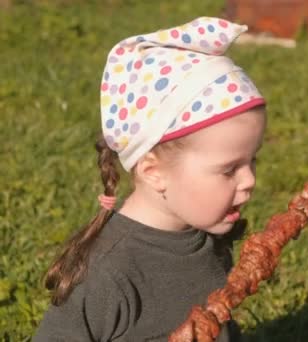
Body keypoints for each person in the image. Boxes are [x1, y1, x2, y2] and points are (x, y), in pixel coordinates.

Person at [33, 16, 266, 341]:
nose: (250, 180)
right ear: (154, 172)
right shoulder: (108, 273)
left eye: (252, 161)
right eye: (229, 169)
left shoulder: (204, 235)